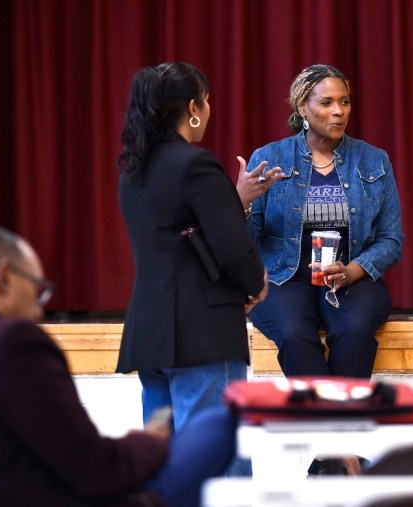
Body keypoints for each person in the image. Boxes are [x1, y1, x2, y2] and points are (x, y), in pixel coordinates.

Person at [0, 224, 237, 507]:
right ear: (3, 275)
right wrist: (150, 441)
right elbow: (96, 471)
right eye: (37, 291)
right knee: (221, 423)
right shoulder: (11, 343)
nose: (37, 312)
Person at [115, 62, 268, 476]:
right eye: (207, 98)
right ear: (193, 107)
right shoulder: (195, 164)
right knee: (218, 470)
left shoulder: (133, 170)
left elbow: (183, 235)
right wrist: (257, 283)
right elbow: (233, 247)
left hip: (151, 330)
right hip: (203, 330)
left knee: (168, 468)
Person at [240, 64, 404, 380]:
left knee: (355, 330)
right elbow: (249, 240)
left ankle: (339, 416)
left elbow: (391, 238)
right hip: (283, 277)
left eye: (344, 102)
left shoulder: (373, 159)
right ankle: (325, 418)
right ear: (303, 106)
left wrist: (355, 270)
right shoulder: (270, 157)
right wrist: (243, 202)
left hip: (349, 274)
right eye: (326, 103)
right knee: (293, 334)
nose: (338, 112)